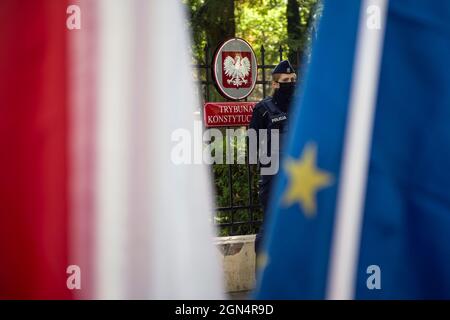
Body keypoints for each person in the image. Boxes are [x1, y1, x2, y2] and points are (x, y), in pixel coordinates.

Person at [249, 60, 297, 255]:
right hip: (273, 177)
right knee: (270, 225)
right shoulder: (262, 110)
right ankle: (261, 278)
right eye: (286, 80)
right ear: (275, 84)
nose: (291, 83)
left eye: (293, 79)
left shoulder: (302, 107)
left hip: (298, 175)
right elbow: (252, 147)